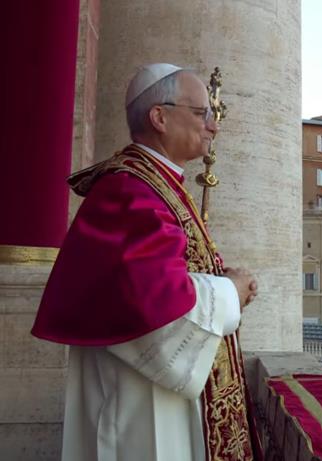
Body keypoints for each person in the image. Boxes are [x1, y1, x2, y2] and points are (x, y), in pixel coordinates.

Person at [31, 64, 260, 461]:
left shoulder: (155, 182)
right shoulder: (130, 190)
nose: (213, 126)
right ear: (160, 117)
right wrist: (230, 293)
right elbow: (155, 304)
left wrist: (220, 282)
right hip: (140, 404)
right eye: (202, 113)